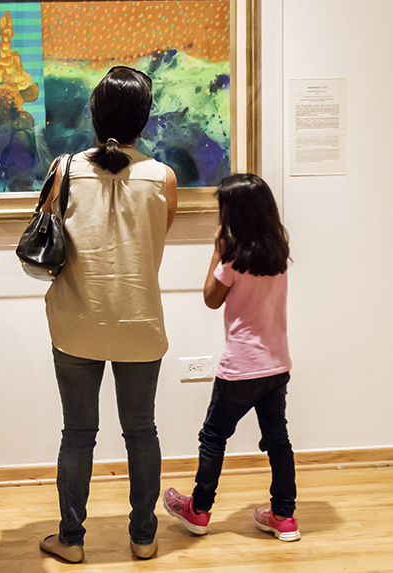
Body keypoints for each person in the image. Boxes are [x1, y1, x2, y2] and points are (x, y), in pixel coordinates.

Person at [37, 66, 178, 563]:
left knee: (78, 433)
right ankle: (143, 537)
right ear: (145, 118)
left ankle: (72, 541)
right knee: (142, 430)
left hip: (77, 321)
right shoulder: (163, 177)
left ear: (93, 115)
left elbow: (44, 237)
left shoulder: (65, 169)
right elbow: (155, 244)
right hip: (140, 321)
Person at [163, 173, 300, 542]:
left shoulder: (235, 258)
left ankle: (199, 509)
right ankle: (284, 516)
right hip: (276, 364)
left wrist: (216, 250)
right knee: (277, 441)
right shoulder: (278, 254)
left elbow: (210, 298)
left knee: (213, 437)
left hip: (240, 368)